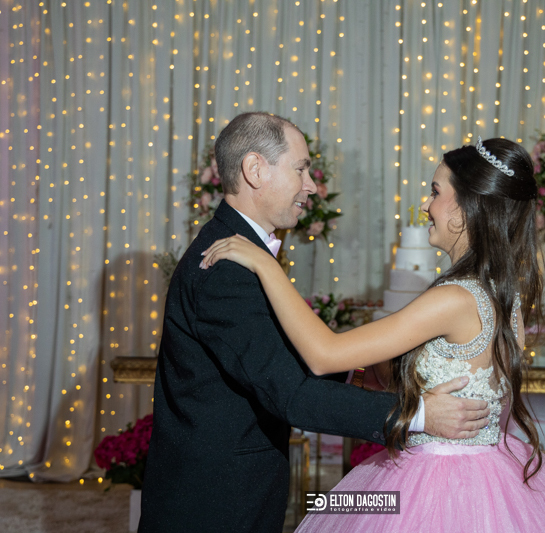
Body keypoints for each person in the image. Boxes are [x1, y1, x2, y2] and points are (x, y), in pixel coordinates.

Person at [200, 136, 545, 532]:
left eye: (435, 192)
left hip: (432, 486)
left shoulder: (455, 298)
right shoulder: (502, 297)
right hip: (489, 476)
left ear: (464, 209)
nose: (425, 205)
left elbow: (324, 353)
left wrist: (266, 266)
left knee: (332, 508)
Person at [139, 112, 492, 533]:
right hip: (213, 503)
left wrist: (359, 373)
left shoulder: (240, 254)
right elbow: (290, 395)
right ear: (255, 170)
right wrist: (417, 414)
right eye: (301, 169)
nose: (310, 185)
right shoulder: (226, 270)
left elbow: (277, 360)